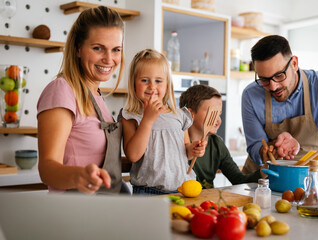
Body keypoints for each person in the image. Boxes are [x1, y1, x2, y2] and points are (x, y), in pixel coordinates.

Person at [37, 6, 130, 194]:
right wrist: (79, 176)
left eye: (116, 50)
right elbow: (47, 168)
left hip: (104, 210)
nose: (109, 59)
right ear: (78, 49)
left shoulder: (95, 94)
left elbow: (98, 158)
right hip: (75, 211)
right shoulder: (61, 90)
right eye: (98, 48)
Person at [241, 35, 318, 173]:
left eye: (279, 76)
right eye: (264, 80)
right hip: (260, 182)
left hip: (306, 183)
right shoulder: (251, 95)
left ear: (294, 63)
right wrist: (273, 148)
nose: (273, 87)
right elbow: (255, 147)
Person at [120, 49, 206, 195]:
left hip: (181, 191)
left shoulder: (178, 114)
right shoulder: (131, 116)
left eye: (158, 81)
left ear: (167, 85)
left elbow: (185, 150)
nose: (152, 87)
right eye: (144, 80)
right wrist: (147, 120)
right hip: (147, 192)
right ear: (134, 83)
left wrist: (193, 149)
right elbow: (133, 155)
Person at [179, 85, 268, 189]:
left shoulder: (217, 144)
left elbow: (238, 180)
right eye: (212, 113)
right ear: (190, 114)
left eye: (219, 114)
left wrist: (264, 170)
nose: (218, 120)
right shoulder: (177, 142)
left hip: (207, 202)